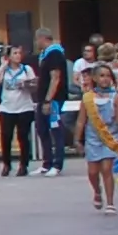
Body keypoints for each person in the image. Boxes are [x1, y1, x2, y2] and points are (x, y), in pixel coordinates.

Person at [80, 62, 118, 210]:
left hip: (111, 137)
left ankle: (110, 202)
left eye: (108, 76)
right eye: (102, 76)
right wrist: (77, 140)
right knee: (93, 172)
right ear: (94, 78)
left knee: (107, 169)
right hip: (92, 138)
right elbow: (81, 121)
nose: (105, 79)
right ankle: (97, 191)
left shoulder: (115, 97)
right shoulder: (88, 98)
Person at [0, 43, 40, 176]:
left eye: (19, 53)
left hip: (24, 107)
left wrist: (26, 85)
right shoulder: (5, 70)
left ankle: (24, 165)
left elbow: (34, 86)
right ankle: (6, 164)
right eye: (14, 53)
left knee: (23, 137)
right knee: (6, 136)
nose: (18, 56)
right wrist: (3, 65)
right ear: (8, 56)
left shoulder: (27, 69)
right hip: (7, 108)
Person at [34, 28, 73, 174]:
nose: (36, 42)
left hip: (53, 99)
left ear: (43, 38)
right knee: (42, 129)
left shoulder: (55, 54)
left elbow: (55, 78)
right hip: (42, 97)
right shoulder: (44, 55)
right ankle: (46, 163)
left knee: (55, 130)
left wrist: (48, 100)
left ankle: (57, 165)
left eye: (37, 39)